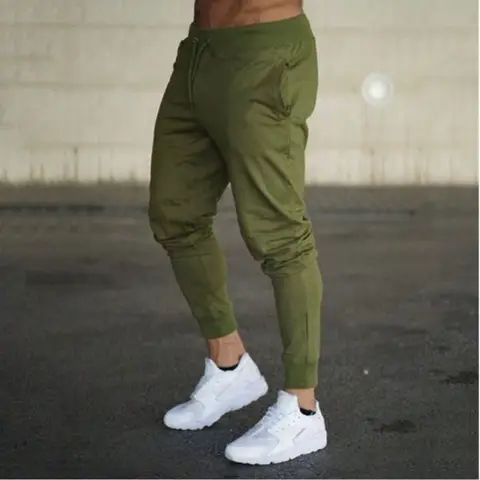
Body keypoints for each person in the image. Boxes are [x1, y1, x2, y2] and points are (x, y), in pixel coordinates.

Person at [148, 0, 327, 465]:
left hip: (265, 53)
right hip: (199, 51)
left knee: (279, 235)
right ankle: (229, 366)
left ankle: (303, 410)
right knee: (175, 213)